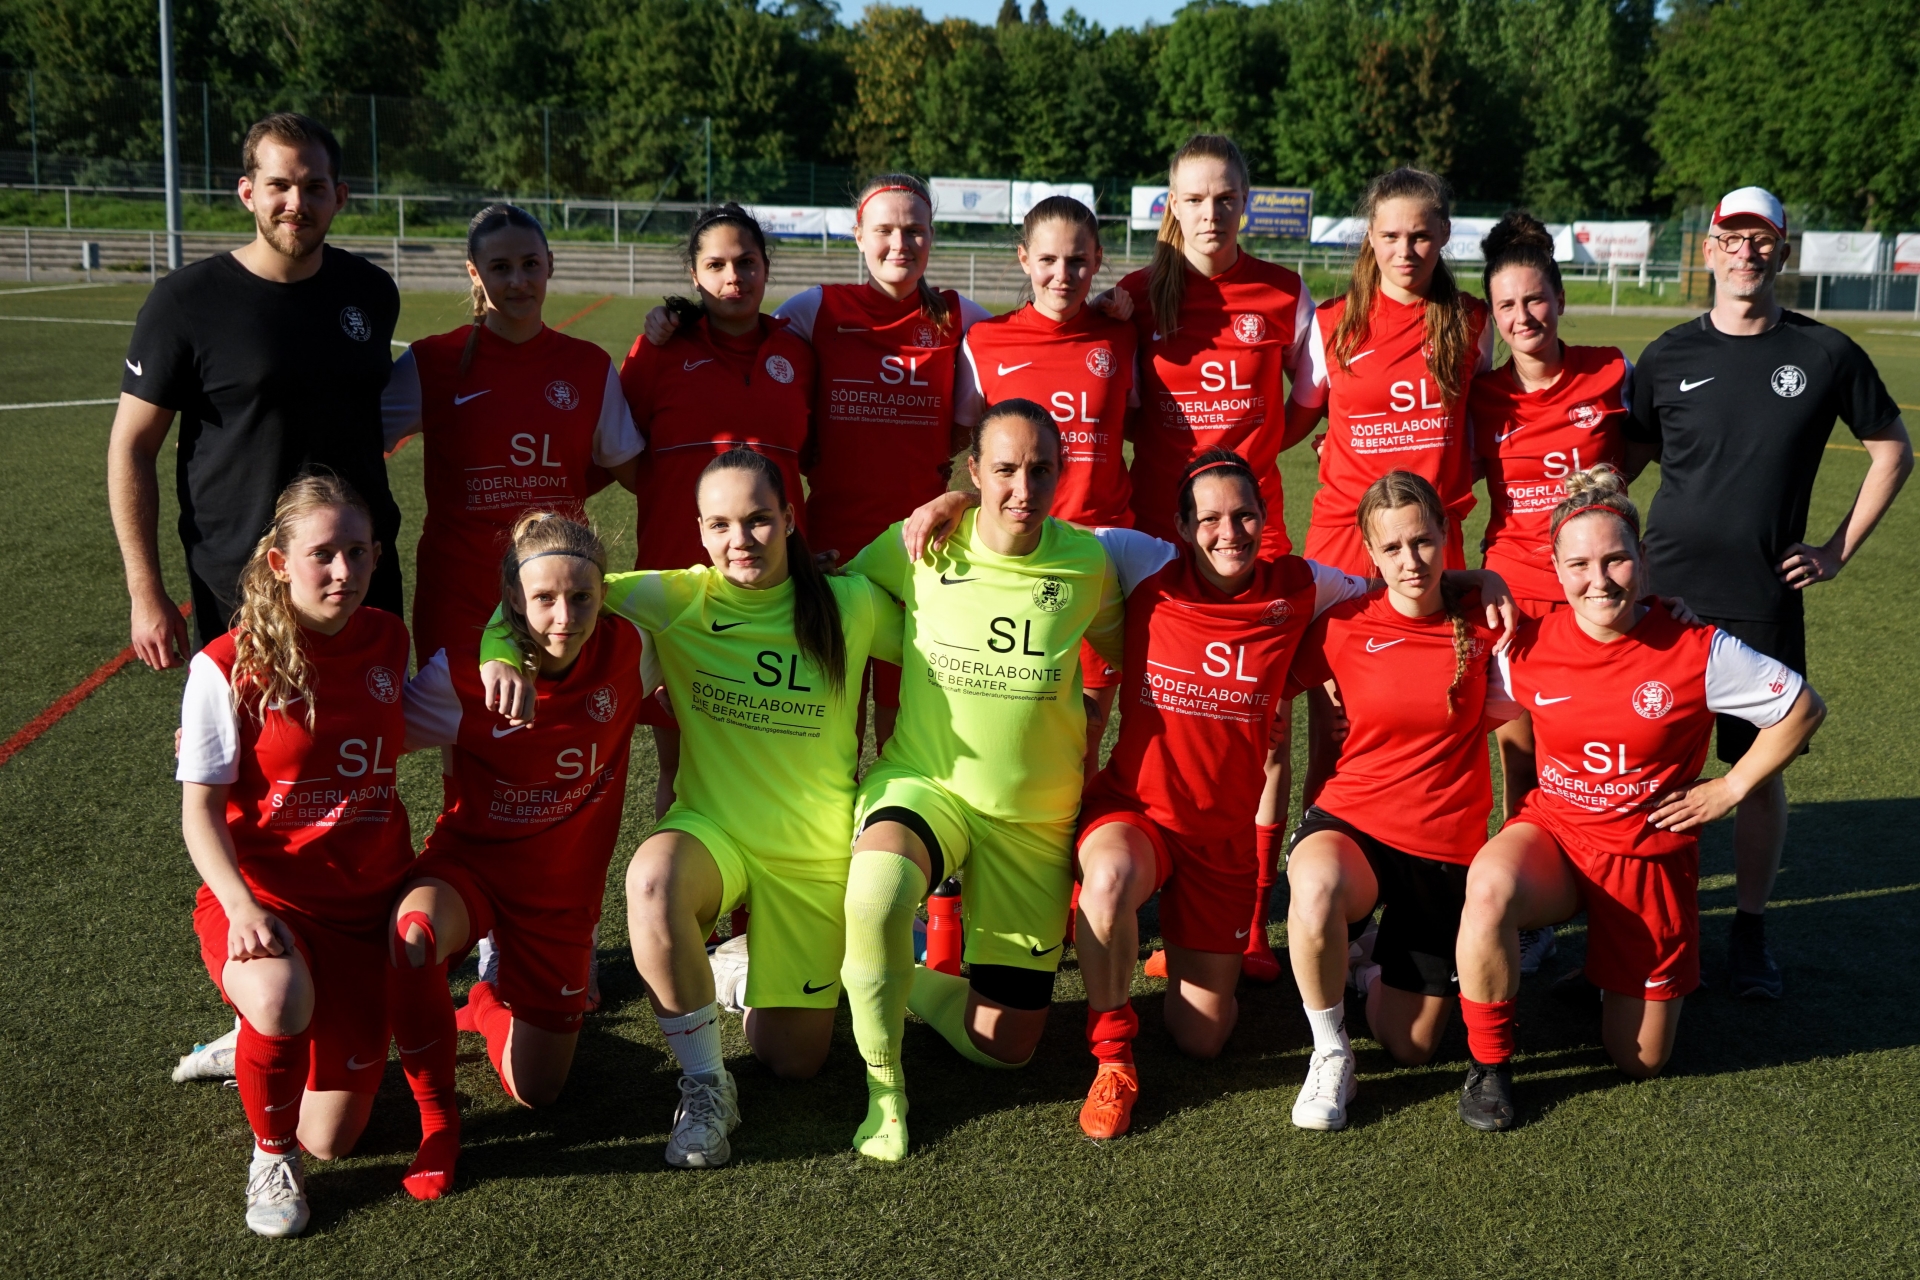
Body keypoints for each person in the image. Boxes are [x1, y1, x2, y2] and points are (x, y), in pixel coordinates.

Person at [479, 450, 902, 1170]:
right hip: (714, 833)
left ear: (788, 519)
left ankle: (734, 970)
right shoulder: (675, 597)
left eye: (759, 519)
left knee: (794, 1061)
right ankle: (706, 1085)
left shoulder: (849, 604)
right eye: (721, 525)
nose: (741, 540)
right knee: (652, 880)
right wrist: (497, 650)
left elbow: (940, 628)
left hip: (813, 853)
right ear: (700, 531)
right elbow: (544, 581)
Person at [1454, 466, 1826, 1131]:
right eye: (1579, 565)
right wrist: (1481, 579)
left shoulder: (1696, 648)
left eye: (1615, 559)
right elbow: (1432, 622)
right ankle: (1490, 1065)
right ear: (1556, 570)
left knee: (1640, 1061)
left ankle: (1612, 964)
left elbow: (1802, 708)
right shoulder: (1527, 643)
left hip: (1647, 859)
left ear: (1643, 560)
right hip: (1557, 838)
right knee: (1487, 887)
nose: (1598, 579)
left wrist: (1730, 787)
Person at [1625, 185, 1911, 999]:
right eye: (1731, 238)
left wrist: (1836, 551)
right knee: (1648, 766)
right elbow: (1623, 466)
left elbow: (1893, 450)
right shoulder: (1667, 355)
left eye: (1761, 240)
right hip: (1664, 600)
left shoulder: (1825, 353)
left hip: (1762, 602)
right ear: (1709, 249)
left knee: (1756, 772)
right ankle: (1640, 927)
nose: (1745, 252)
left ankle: (1748, 931)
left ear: (1782, 251)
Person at [838, 399, 1125, 1161]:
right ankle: (884, 1088)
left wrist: (1095, 710)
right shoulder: (921, 542)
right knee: (877, 891)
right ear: (973, 472)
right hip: (928, 782)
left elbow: (1135, 647)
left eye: (1040, 470)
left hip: (1034, 821)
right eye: (1003, 470)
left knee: (1008, 1048)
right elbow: (831, 599)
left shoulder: (1088, 562)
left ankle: (902, 983)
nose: (1022, 489)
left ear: (1062, 474)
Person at [1066, 452, 1367, 1138]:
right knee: (1107, 882)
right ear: (1181, 527)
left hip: (1222, 838)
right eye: (1209, 519)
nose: (1229, 532)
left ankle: (1178, 949)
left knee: (1203, 1037)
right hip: (1136, 814)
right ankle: (1113, 1058)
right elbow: (1032, 530)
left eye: (1244, 516)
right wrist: (952, 503)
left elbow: (1393, 590)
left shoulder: (1301, 584)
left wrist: (1475, 579)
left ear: (1264, 518)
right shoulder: (1140, 561)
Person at [642, 175, 990, 749]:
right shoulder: (815, 308)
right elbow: (740, 332)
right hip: (829, 552)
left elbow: (1010, 379)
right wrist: (675, 318)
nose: (900, 243)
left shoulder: (963, 317)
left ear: (932, 235)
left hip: (925, 550)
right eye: (884, 229)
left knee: (908, 726)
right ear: (858, 235)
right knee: (831, 720)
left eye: (915, 230)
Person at [384, 511, 653, 1200]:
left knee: (540, 1092)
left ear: (603, 593)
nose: (564, 617)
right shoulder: (460, 677)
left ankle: (482, 1003)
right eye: (543, 598)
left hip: (560, 901)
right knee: (414, 936)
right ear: (513, 599)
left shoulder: (634, 649)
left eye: (582, 597)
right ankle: (438, 1123)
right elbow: (367, 737)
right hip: (470, 869)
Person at [174, 473, 416, 1236]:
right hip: (269, 900)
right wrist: (241, 906)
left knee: (335, 1139)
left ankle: (261, 1039)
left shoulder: (389, 637)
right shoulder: (225, 664)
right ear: (280, 563)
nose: (344, 570)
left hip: (368, 904)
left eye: (359, 552)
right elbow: (199, 814)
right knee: (280, 998)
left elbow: (402, 727)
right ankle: (271, 1157)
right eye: (323, 554)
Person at [1115, 133, 1324, 976]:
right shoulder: (1137, 295)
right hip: (1157, 539)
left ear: (1246, 201)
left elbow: (1310, 399)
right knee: (1145, 711)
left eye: (1226, 198)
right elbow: (1115, 402)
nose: (1212, 213)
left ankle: (1247, 918)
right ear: (1172, 204)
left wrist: (1257, 454)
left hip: (1249, 535)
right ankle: (1122, 882)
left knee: (1261, 729)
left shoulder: (1283, 290)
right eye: (1195, 199)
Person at [111, 112, 405, 664]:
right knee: (251, 725)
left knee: (368, 721)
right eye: (279, 185)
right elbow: (132, 447)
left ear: (339, 196)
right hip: (243, 584)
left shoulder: (371, 291)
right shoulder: (186, 302)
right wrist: (144, 590)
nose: (297, 203)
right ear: (248, 193)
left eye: (314, 187)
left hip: (358, 573)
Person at [1281, 471, 1518, 1133]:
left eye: (1422, 541)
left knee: (1411, 1045)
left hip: (1443, 851)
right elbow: (1267, 679)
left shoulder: (1487, 620)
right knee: (1316, 885)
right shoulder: (1344, 625)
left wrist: (1485, 580)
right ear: (1371, 553)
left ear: (1445, 534)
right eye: (1392, 548)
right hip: (1353, 823)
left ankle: (1363, 968)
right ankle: (1330, 1052)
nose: (1410, 561)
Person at [1292, 166, 1495, 829]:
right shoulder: (1331, 324)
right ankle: (1317, 863)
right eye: (1391, 236)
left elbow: (1492, 427)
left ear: (1445, 235)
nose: (1406, 251)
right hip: (1344, 548)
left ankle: (1426, 857)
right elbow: (1289, 423)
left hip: (1433, 548)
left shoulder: (1472, 323)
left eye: (1421, 236)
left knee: (1438, 719)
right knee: (1334, 724)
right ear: (1370, 238)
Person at [1469, 209, 1633, 973]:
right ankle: (1534, 916)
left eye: (1535, 299)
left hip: (1596, 597)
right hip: (1514, 602)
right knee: (1522, 760)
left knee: (1602, 756)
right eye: (1506, 305)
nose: (1523, 316)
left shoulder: (1610, 372)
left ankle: (1614, 903)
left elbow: (1649, 449)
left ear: (1561, 300)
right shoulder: (1483, 397)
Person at [617, 204, 816, 817]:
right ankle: (680, 879)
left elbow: (816, 458)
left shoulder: (796, 352)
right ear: (695, 274)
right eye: (717, 265)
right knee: (679, 768)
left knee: (775, 760)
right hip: (682, 586)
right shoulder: (659, 350)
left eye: (747, 262)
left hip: (775, 587)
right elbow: (621, 454)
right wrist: (671, 501)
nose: (734, 277)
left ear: (765, 267)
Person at [381, 203, 642, 667]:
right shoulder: (431, 363)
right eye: (500, 267)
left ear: (550, 265)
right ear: (474, 271)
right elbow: (353, 440)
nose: (518, 281)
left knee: (551, 712)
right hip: (459, 591)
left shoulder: (588, 366)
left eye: (530, 264)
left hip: (557, 591)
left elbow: (633, 470)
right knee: (466, 713)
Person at [956, 194, 1139, 756]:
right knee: (1011, 722)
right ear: (1023, 259)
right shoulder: (985, 341)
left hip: (1099, 555)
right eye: (1049, 260)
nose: (1064, 274)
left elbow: (1141, 425)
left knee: (1087, 730)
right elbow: (966, 448)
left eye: (1078, 260)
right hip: (1017, 558)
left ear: (1098, 259)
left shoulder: (1122, 336)